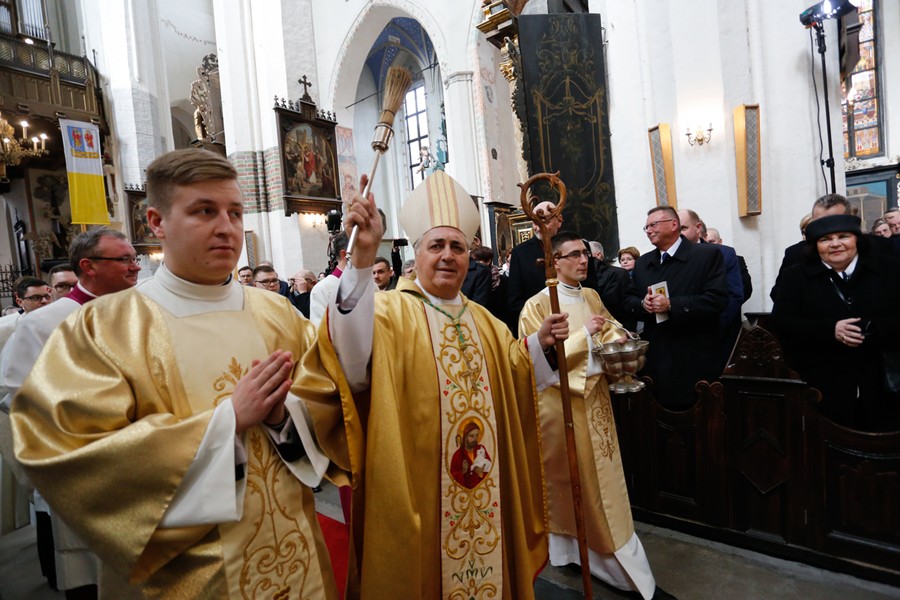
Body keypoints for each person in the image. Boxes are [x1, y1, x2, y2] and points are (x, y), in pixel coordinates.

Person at [11, 148, 339, 597]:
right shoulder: (106, 326)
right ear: (156, 222)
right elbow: (69, 451)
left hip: (294, 556)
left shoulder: (278, 312)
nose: (226, 227)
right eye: (204, 211)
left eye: (234, 212)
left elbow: (328, 400)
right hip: (187, 575)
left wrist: (285, 418)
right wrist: (227, 422)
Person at [313, 170, 569, 598]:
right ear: (416, 256)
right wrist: (360, 263)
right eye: (437, 246)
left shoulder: (486, 321)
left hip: (485, 488)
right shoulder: (387, 311)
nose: (448, 256)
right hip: (418, 492)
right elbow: (351, 365)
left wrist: (538, 346)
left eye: (457, 246)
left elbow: (514, 380)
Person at [519, 231, 663, 599]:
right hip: (562, 405)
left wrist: (617, 336)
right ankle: (571, 551)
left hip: (596, 398)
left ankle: (600, 553)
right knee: (574, 480)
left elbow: (608, 322)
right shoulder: (537, 304)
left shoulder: (590, 295)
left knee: (603, 481)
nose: (584, 260)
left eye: (585, 253)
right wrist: (584, 332)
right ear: (555, 262)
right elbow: (536, 361)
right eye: (574, 255)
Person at [2, 228, 141, 598]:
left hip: (145, 460)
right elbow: (17, 395)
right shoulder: (45, 323)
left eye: (134, 258)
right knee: (92, 575)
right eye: (123, 259)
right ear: (88, 266)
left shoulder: (143, 312)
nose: (134, 267)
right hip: (82, 466)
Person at [772, 214, 900, 432]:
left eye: (843, 236)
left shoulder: (890, 269)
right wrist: (830, 330)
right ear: (815, 246)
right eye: (825, 239)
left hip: (883, 380)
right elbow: (783, 322)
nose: (835, 244)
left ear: (857, 239)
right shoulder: (796, 277)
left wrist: (873, 327)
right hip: (825, 383)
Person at [624, 206, 728, 408]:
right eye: (646, 227)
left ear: (674, 225)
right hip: (657, 355)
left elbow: (717, 299)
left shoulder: (706, 256)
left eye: (654, 224)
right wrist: (642, 304)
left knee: (698, 415)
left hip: (694, 353)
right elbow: (628, 300)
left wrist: (672, 304)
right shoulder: (644, 263)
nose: (649, 230)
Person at [309, 231, 347, 325]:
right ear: (345, 255)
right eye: (365, 251)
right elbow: (321, 330)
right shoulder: (322, 289)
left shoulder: (370, 284)